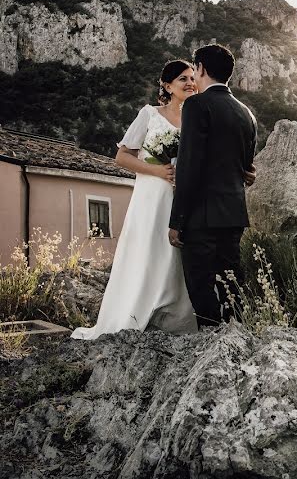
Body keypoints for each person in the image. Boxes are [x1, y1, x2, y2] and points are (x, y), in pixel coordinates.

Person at [71, 61, 200, 339]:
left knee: (175, 253)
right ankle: (135, 312)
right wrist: (158, 170)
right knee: (149, 249)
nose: (190, 82)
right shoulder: (149, 114)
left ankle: (175, 317)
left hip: (183, 196)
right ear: (167, 86)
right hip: (152, 194)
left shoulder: (197, 117)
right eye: (182, 78)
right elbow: (122, 156)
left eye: (192, 78)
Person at [168, 44, 258, 327]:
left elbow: (189, 165)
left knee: (201, 286)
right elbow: (246, 167)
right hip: (233, 213)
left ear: (201, 69)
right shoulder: (246, 113)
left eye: (194, 69)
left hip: (202, 215)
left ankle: (211, 345)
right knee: (232, 285)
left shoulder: (197, 104)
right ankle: (237, 340)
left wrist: (177, 220)